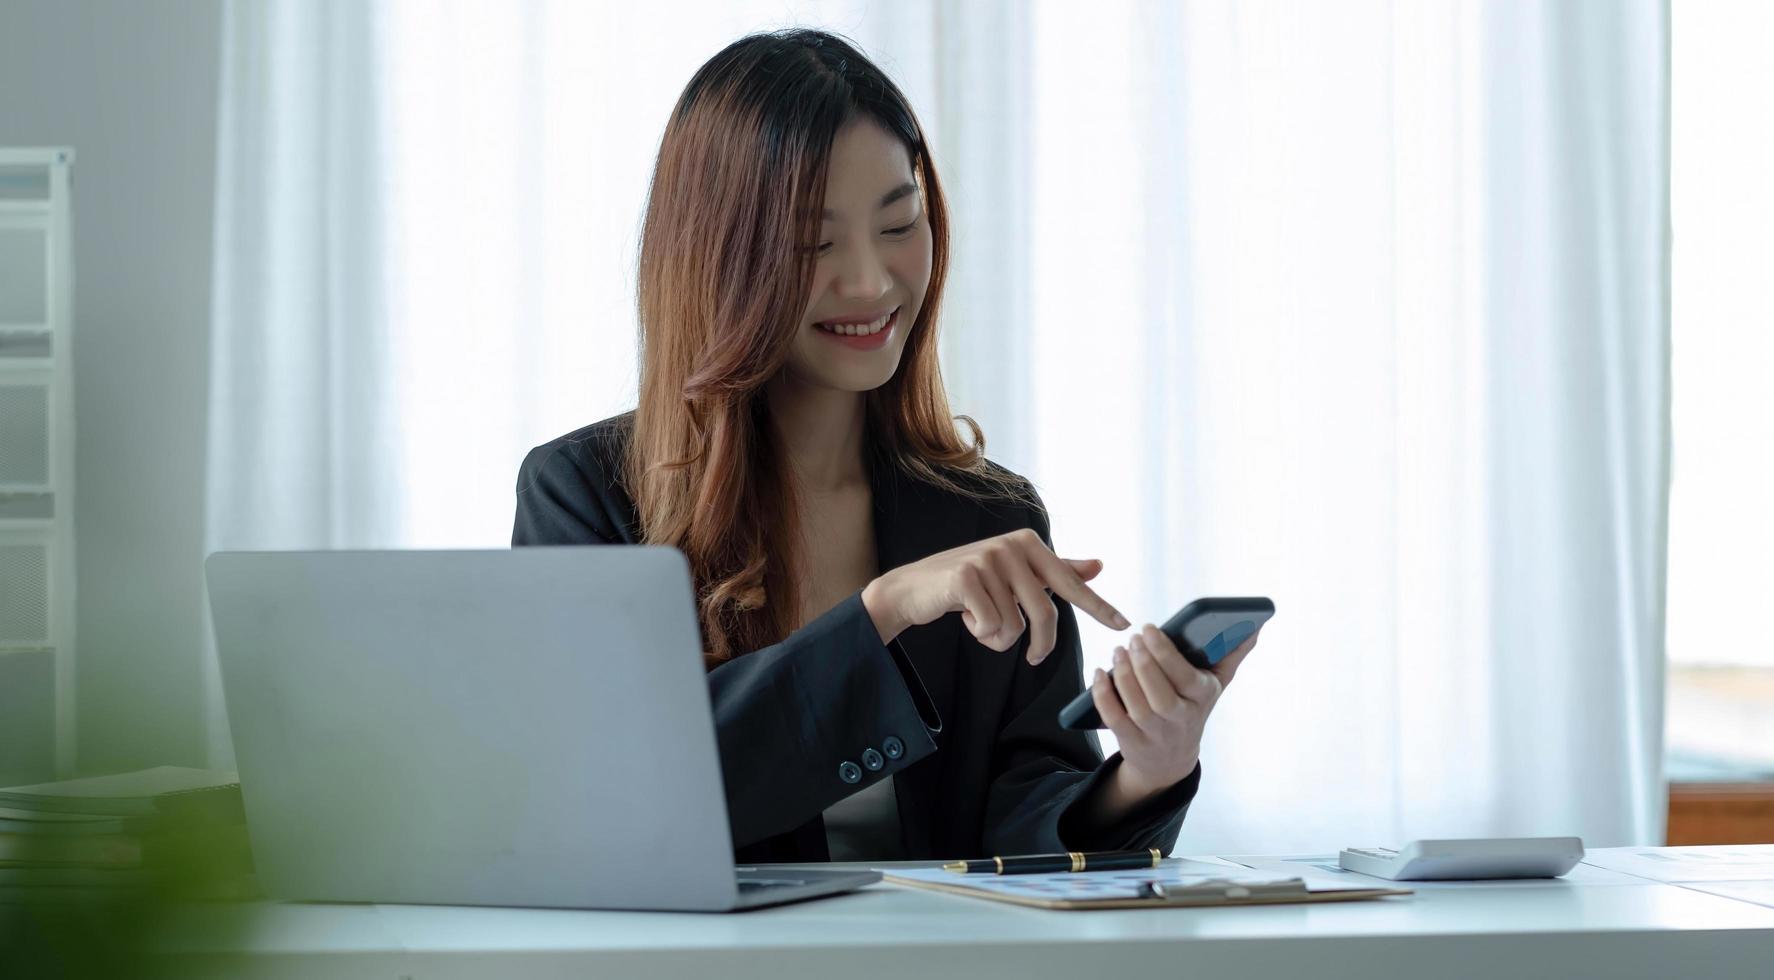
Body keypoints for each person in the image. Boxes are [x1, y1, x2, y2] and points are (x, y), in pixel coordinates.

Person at [511, 28, 1258, 864]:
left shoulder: (991, 514)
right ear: (717, 257)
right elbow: (613, 800)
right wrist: (885, 609)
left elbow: (1023, 822)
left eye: (899, 224)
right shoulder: (585, 495)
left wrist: (1146, 771)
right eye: (813, 244)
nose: (870, 282)